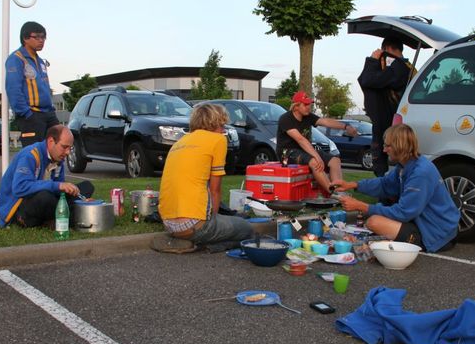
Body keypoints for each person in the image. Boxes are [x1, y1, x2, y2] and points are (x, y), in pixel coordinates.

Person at [331, 124, 459, 253]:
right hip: (425, 224)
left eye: (388, 146)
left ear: (400, 146)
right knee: (374, 219)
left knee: (374, 222)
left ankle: (408, 242)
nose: (384, 150)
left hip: (436, 233)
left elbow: (403, 213)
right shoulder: (406, 165)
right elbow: (384, 184)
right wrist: (352, 184)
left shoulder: (421, 173)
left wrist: (361, 206)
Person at [153, 103, 254, 253]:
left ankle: (180, 240)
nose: (224, 130)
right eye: (222, 126)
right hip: (194, 225)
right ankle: (203, 244)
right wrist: (215, 219)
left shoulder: (180, 142)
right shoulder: (218, 140)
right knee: (246, 229)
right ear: (214, 123)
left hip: (168, 224)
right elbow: (215, 190)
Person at [0, 125, 94, 228]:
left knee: (87, 187)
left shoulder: (58, 158)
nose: (67, 152)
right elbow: (19, 187)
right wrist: (58, 186)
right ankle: (75, 216)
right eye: (64, 147)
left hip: (45, 199)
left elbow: (58, 191)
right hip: (19, 208)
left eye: (70, 148)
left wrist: (74, 194)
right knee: (45, 198)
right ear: (51, 141)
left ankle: (71, 211)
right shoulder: (30, 155)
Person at [276, 91, 358, 194]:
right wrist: (317, 157)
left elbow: (325, 121)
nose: (308, 107)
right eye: (305, 104)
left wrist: (346, 127)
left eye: (309, 104)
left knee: (335, 161)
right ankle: (332, 193)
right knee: (315, 162)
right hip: (286, 153)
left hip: (303, 150)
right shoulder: (286, 119)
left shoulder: (308, 116)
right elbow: (301, 140)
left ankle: (339, 190)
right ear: (296, 106)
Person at [358, 37, 415, 176]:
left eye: (383, 50)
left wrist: (372, 60)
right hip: (393, 119)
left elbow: (366, 80)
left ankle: (385, 193)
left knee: (381, 160)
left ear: (388, 49)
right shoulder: (409, 68)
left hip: (387, 121)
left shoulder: (399, 68)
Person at [5, 21, 58, 147]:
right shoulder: (16, 58)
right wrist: (26, 113)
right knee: (34, 154)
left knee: (57, 147)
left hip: (48, 114)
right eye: (37, 37)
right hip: (31, 115)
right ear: (25, 38)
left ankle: (52, 168)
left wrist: (51, 109)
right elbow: (13, 89)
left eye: (43, 37)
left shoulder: (40, 61)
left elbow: (45, 88)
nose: (41, 40)